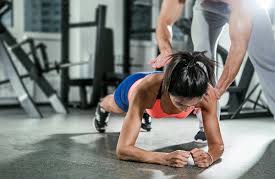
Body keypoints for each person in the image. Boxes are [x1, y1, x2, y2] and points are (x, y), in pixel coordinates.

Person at [151, 0, 275, 139]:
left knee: (268, 62)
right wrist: (165, 50)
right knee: (201, 62)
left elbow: (238, 47)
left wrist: (218, 91)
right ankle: (207, 126)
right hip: (207, 9)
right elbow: (164, 21)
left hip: (248, 6)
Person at [93, 51, 224, 168]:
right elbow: (123, 150)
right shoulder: (145, 90)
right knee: (115, 105)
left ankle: (143, 113)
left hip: (152, 100)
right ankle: (103, 106)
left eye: (193, 105)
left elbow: (217, 145)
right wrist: (163, 158)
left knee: (144, 109)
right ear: (167, 90)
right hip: (134, 88)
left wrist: (210, 157)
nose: (187, 109)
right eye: (180, 103)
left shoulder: (207, 95)